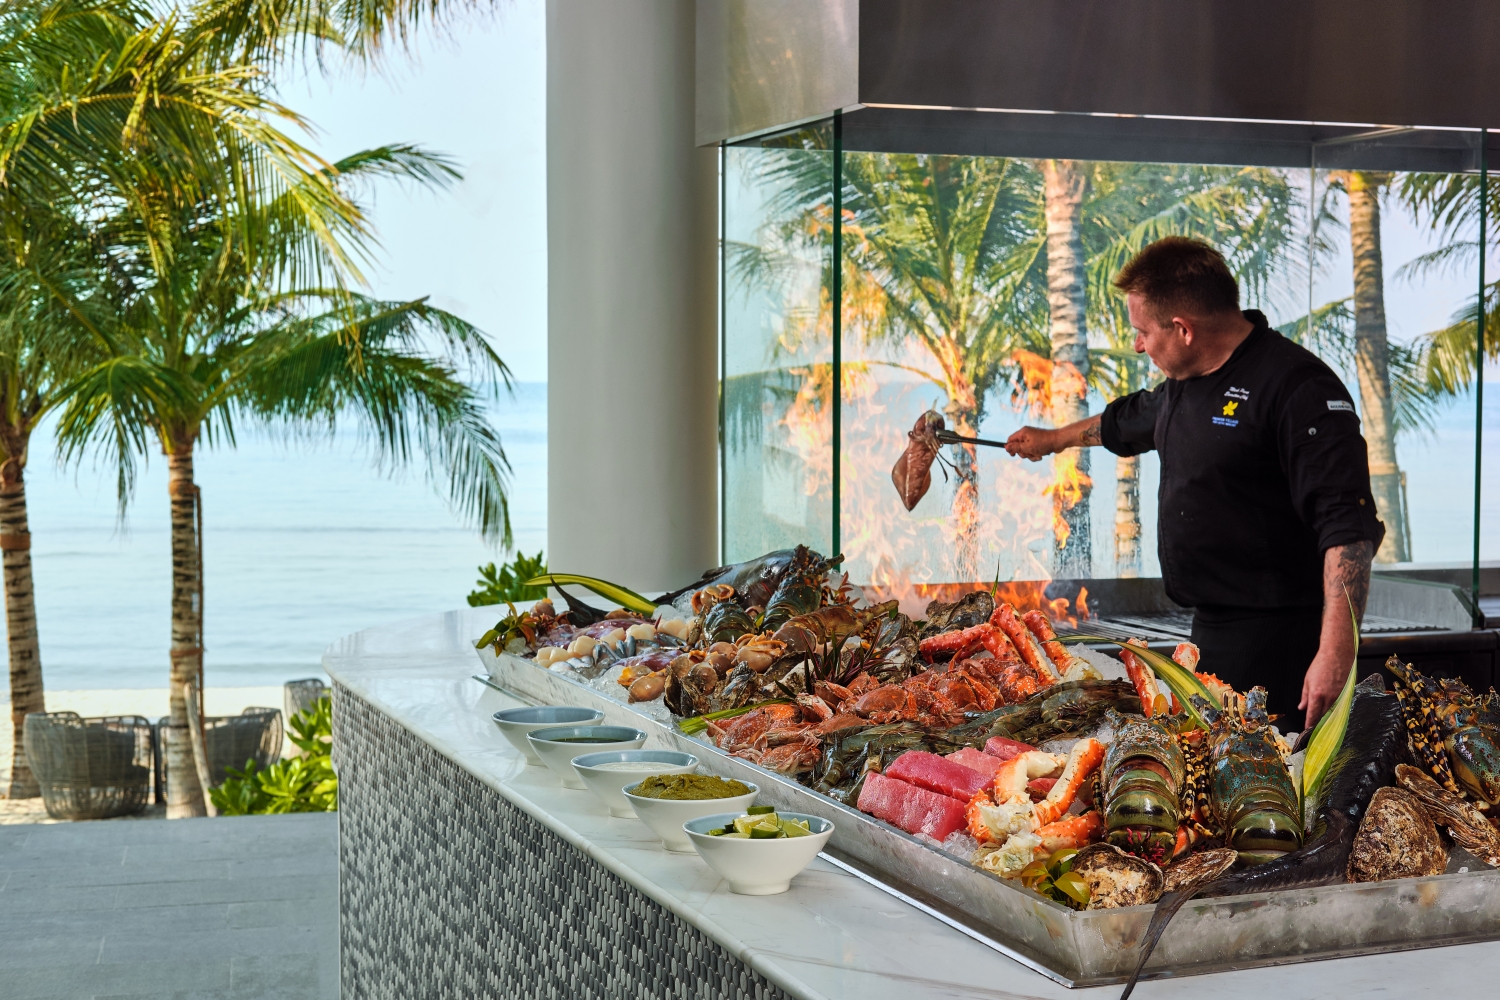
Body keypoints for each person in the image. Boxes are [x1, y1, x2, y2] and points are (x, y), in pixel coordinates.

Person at [1005, 237, 1384, 730]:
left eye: (1142, 332)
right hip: (1211, 630)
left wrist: (1336, 655)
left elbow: (1348, 534)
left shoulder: (1297, 388)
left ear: (1183, 329)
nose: (1138, 344)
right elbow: (1125, 422)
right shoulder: (1183, 385)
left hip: (1286, 639)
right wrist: (1053, 439)